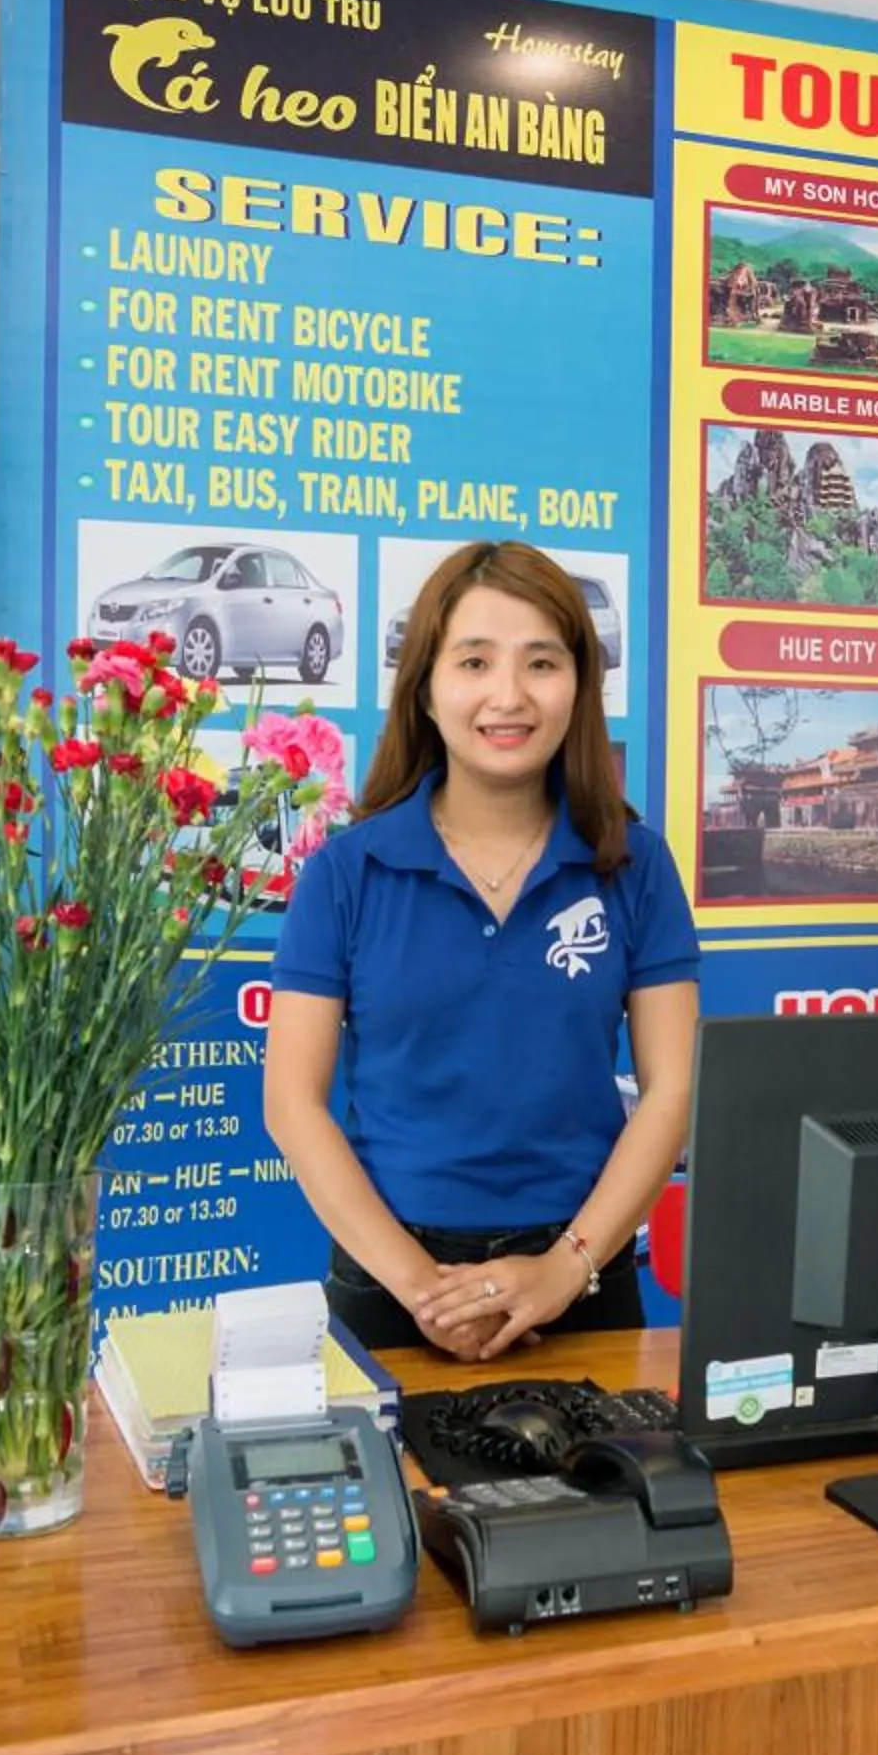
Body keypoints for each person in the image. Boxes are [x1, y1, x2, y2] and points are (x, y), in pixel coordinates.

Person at [263, 540, 702, 1360]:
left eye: (541, 663)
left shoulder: (634, 865)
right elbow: (292, 1104)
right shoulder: (345, 874)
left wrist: (562, 1272)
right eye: (474, 662)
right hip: (392, 1285)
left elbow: (671, 1092)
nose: (509, 696)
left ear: (580, 686)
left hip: (585, 1276)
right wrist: (426, 1291)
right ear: (425, 689)